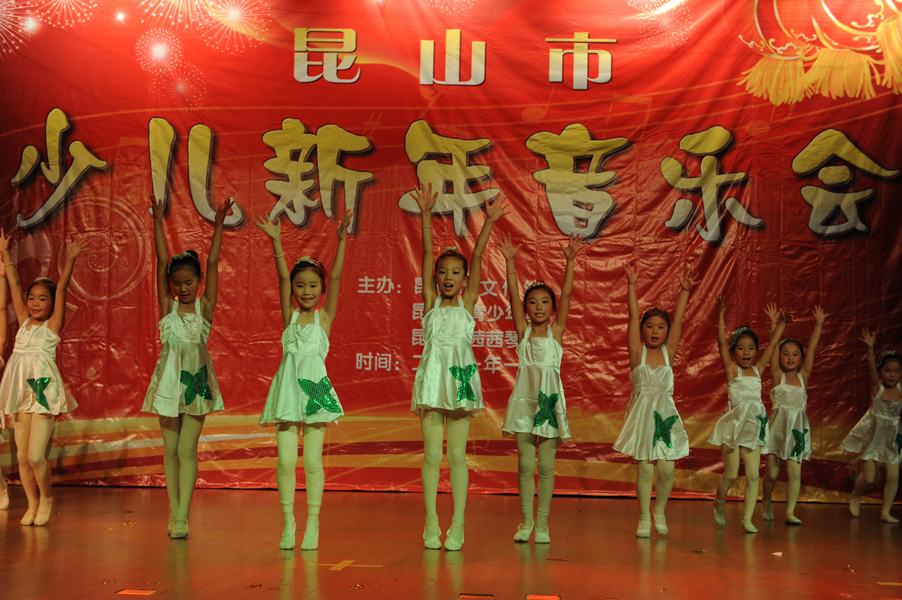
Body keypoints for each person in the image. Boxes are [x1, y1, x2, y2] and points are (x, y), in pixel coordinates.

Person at [411, 183, 510, 551]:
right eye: (443, 272)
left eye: (456, 272)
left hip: (460, 382)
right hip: (432, 382)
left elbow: (479, 255)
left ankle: (458, 523)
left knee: (456, 456)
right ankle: (430, 522)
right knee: (431, 456)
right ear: (436, 278)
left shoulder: (468, 302)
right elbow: (425, 253)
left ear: (465, 279)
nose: (449, 277)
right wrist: (425, 215)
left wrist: (490, 222)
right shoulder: (430, 301)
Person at [255, 210, 353, 550]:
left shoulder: (324, 318)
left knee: (312, 462)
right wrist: (276, 241)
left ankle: (313, 523)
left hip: (316, 395)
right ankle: (288, 523)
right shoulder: (290, 316)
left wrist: (341, 241)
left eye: (312, 285)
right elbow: (282, 277)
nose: (306, 291)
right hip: (286, 395)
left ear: (321, 289)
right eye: (301, 286)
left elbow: (336, 277)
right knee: (285, 462)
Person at [142, 196, 232, 539]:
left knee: (185, 450)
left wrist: (219, 225)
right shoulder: (167, 306)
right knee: (170, 451)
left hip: (195, 383)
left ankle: (183, 516)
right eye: (177, 283)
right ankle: (173, 511)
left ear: (198, 281)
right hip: (168, 383)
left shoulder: (204, 307)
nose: (183, 288)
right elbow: (161, 260)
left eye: (189, 282)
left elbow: (213, 262)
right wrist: (158, 221)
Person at [0, 229, 88, 526]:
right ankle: (32, 503)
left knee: (37, 456)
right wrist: (5, 254)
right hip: (20, 394)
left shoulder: (51, 328)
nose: (35, 303)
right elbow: (14, 284)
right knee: (22, 458)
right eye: (32, 298)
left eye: (42, 299)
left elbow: (61, 290)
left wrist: (71, 259)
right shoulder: (24, 323)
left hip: (42, 393)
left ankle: (46, 498)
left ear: (51, 304)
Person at [498, 231, 579, 544]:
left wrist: (570, 261)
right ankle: (526, 522)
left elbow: (568, 295)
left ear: (553, 308)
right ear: (526, 308)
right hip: (524, 403)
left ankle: (542, 524)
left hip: (548, 404)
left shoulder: (556, 332)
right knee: (523, 465)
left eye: (545, 302)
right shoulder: (523, 331)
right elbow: (511, 296)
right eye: (532, 302)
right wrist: (510, 262)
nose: (538, 306)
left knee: (545, 466)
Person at [613, 262, 699, 537]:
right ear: (642, 330)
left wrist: (685, 291)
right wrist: (632, 286)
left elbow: (680, 319)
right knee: (645, 470)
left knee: (667, 469)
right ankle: (643, 518)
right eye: (649, 326)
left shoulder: (668, 352)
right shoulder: (636, 351)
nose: (654, 331)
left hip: (665, 416)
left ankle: (659, 510)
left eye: (661, 327)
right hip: (643, 416)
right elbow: (632, 315)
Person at [708, 297, 787, 533]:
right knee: (731, 473)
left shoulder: (758, 369)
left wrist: (781, 323)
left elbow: (773, 344)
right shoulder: (732, 370)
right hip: (734, 426)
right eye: (741, 348)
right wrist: (721, 315)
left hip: (754, 427)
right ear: (734, 351)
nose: (746, 352)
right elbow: (721, 343)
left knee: (753, 476)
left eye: (751, 348)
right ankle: (718, 503)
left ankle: (747, 519)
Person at [761, 306, 826, 525]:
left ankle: (790, 512)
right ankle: (766, 499)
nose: (790, 357)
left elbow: (813, 348)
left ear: (801, 358)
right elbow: (773, 345)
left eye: (795, 354)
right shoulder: (776, 375)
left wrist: (819, 325)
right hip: (778, 429)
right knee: (772, 474)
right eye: (786, 353)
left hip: (797, 429)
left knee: (794, 472)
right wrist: (774, 323)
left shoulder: (803, 376)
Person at [842, 329, 901, 523]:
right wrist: (870, 348)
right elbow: (870, 370)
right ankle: (856, 494)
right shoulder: (878, 387)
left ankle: (885, 511)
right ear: (881, 371)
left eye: (897, 371)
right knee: (869, 478)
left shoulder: (900, 389)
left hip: (892, 437)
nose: (892, 375)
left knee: (893, 475)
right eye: (888, 370)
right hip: (874, 435)